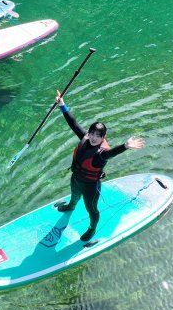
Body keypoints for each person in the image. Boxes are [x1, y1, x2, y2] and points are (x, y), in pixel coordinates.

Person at [54, 90, 145, 242]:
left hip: (90, 186)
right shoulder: (85, 138)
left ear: (103, 137)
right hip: (76, 178)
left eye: (99, 135)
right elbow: (73, 123)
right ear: (88, 133)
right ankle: (70, 206)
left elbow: (111, 154)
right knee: (74, 196)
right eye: (92, 134)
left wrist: (125, 146)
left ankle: (92, 228)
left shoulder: (101, 153)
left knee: (91, 209)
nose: (95, 138)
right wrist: (62, 105)